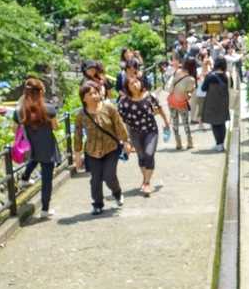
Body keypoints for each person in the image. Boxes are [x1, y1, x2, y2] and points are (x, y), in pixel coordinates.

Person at [74, 80, 132, 215]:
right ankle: (97, 204)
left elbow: (119, 125)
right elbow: (77, 135)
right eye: (90, 94)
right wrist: (78, 155)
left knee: (109, 175)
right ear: (84, 98)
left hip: (111, 148)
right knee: (95, 179)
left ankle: (117, 192)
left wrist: (126, 142)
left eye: (96, 92)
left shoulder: (109, 108)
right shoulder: (81, 115)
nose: (95, 95)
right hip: (92, 151)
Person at [13, 77, 60, 218]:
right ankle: (45, 210)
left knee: (33, 160)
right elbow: (55, 127)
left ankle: (24, 179)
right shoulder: (49, 109)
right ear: (40, 92)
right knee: (47, 181)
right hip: (47, 148)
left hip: (31, 147)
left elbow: (14, 129)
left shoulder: (19, 111)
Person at [118, 76, 169, 196]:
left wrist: (166, 122)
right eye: (131, 83)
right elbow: (120, 120)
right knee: (141, 157)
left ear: (141, 83)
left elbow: (159, 109)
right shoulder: (124, 102)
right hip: (134, 132)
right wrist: (124, 139)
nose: (134, 85)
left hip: (151, 130)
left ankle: (146, 183)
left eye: (136, 82)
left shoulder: (149, 97)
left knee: (149, 154)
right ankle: (145, 179)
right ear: (127, 87)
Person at [201, 57, 232, 152]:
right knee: (222, 122)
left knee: (214, 123)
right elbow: (231, 86)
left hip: (212, 102)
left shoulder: (210, 76)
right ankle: (221, 144)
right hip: (224, 102)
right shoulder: (227, 75)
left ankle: (219, 144)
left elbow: (203, 88)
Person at [167, 57, 197, 150]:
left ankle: (178, 143)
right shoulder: (191, 79)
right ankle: (189, 142)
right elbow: (188, 94)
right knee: (185, 123)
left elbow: (171, 87)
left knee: (175, 123)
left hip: (171, 101)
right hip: (181, 102)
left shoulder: (177, 71)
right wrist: (190, 93)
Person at [191, 55, 211, 129]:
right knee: (201, 109)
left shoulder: (210, 69)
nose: (207, 61)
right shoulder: (198, 70)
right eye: (205, 60)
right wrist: (204, 71)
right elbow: (198, 79)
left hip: (209, 92)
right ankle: (200, 124)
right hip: (201, 92)